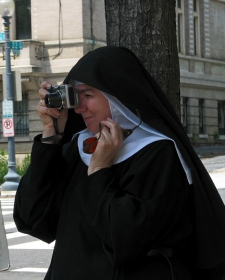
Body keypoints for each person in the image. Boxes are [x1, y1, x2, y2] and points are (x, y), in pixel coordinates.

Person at [13, 46, 225, 280]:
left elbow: (126, 237)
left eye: (88, 94)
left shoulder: (158, 153)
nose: (79, 106)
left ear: (117, 97)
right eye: (76, 95)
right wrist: (51, 136)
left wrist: (99, 171)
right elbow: (32, 218)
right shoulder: (77, 147)